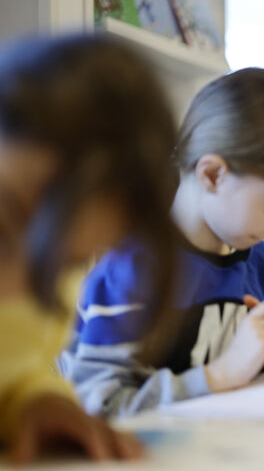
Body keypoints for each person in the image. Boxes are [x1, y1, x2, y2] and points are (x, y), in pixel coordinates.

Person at [60, 68, 264, 417]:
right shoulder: (134, 268)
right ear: (212, 174)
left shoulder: (259, 262)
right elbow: (98, 402)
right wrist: (218, 376)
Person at [0, 34, 178, 463]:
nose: (15, 294)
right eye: (4, 229)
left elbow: (14, 368)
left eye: (66, 264)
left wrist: (36, 401)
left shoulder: (42, 294)